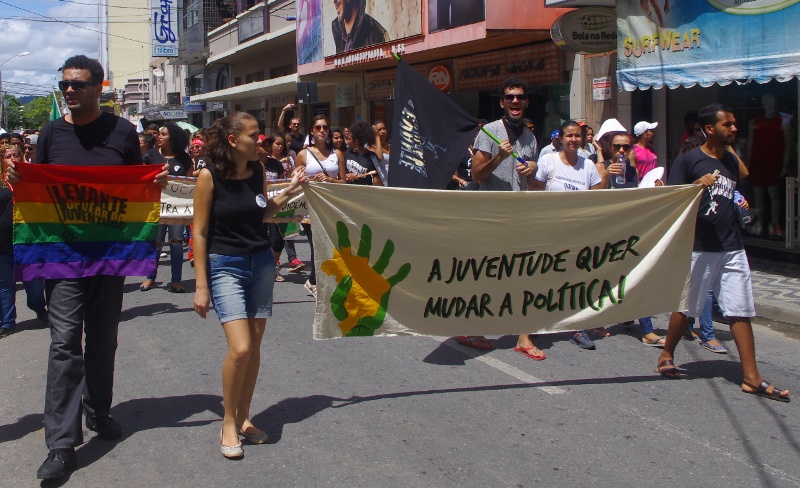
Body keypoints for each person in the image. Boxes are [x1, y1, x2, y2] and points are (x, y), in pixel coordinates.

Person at [4, 55, 168, 480]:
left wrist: (155, 182)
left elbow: (136, 184)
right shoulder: (50, 134)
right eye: (65, 85)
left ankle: (98, 410)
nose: (70, 91)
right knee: (63, 343)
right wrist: (18, 180)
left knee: (102, 339)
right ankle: (61, 444)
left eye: (77, 84)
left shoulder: (122, 132)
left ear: (99, 87)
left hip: (110, 257)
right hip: (62, 258)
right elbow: (36, 187)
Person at [192, 111, 307, 459]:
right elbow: (199, 232)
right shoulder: (209, 176)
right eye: (253, 135)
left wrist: (289, 191)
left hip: (261, 263)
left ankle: (244, 417)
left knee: (254, 346)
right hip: (225, 266)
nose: (260, 140)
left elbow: (263, 213)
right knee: (240, 348)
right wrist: (201, 285)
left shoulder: (257, 170)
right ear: (233, 140)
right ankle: (228, 422)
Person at [657, 103, 790, 403]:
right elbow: (672, 201)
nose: (734, 128)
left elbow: (743, 175)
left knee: (740, 309)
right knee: (687, 306)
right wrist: (696, 184)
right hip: (699, 246)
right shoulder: (688, 160)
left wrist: (728, 150)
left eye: (734, 123)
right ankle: (666, 354)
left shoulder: (730, 160)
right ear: (709, 129)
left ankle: (751, 377)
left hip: (732, 246)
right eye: (727, 124)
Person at [470, 77, 540, 358]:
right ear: (502, 102)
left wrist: (533, 167)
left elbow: (531, 179)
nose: (515, 101)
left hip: (519, 215)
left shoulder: (531, 138)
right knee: (487, 273)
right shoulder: (489, 132)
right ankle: (473, 328)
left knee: (522, 272)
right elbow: (476, 174)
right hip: (491, 215)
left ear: (526, 102)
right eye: (510, 97)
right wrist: (498, 157)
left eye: (520, 97)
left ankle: (523, 336)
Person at [532, 120, 604, 349]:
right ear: (561, 139)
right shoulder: (548, 161)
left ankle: (576, 327)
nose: (574, 140)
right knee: (544, 277)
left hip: (577, 233)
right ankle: (537, 322)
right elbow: (535, 190)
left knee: (575, 281)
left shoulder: (588, 166)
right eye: (569, 136)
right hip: (549, 231)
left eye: (577, 136)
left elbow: (597, 198)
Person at [594, 120, 665, 347]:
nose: (622, 151)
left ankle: (647, 330)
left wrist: (655, 189)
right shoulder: (600, 166)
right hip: (606, 232)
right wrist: (606, 175)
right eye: (617, 147)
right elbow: (592, 199)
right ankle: (595, 320)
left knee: (638, 276)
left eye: (626, 147)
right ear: (610, 148)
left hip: (629, 231)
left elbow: (638, 197)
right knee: (603, 278)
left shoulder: (633, 171)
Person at [295, 115, 347, 297]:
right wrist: (305, 179)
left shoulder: (337, 154)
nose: (322, 131)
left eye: (325, 127)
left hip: (331, 206)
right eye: (318, 128)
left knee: (330, 244)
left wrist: (330, 180)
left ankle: (316, 280)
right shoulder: (303, 154)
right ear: (312, 131)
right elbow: (295, 181)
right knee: (316, 244)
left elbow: (344, 181)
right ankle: (315, 282)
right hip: (310, 206)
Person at [0, 145, 48, 340]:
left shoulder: (32, 180)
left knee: (34, 283)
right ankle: (7, 322)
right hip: (3, 245)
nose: (12, 158)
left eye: (16, 155)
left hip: (28, 242)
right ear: (2, 161)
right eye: (8, 156)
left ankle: (39, 308)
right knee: (5, 286)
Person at [140, 123, 192, 293]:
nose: (159, 136)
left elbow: (190, 184)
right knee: (156, 243)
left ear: (173, 137)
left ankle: (176, 280)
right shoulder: (151, 155)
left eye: (164, 134)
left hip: (177, 210)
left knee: (176, 243)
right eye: (159, 134)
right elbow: (142, 178)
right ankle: (150, 277)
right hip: (155, 208)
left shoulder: (184, 158)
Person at [344, 121, 383, 186]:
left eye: (350, 139)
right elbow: (342, 174)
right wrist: (347, 175)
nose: (347, 142)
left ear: (356, 141)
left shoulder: (372, 157)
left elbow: (377, 180)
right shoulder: (348, 153)